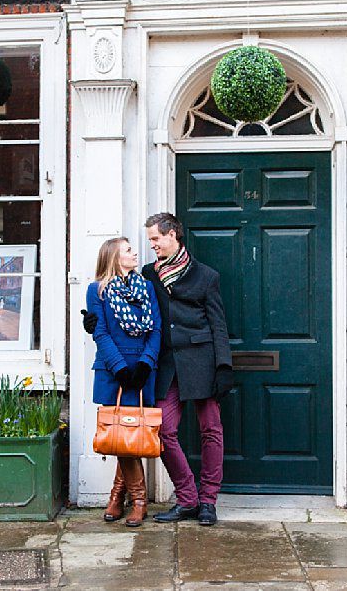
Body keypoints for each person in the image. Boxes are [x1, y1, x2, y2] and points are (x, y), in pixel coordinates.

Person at [83, 213, 233, 526]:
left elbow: (218, 325)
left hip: (202, 360)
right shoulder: (148, 276)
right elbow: (124, 307)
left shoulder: (206, 276)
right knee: (162, 429)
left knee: (211, 430)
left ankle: (208, 501)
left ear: (172, 235)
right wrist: (94, 324)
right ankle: (188, 497)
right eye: (149, 240)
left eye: (155, 239)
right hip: (166, 365)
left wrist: (223, 366)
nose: (150, 245)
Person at [85, 237, 162, 527]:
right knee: (120, 436)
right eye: (128, 250)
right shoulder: (97, 291)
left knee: (129, 436)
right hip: (111, 370)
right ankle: (138, 501)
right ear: (115, 258)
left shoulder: (147, 287)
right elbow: (100, 333)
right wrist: (119, 368)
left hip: (143, 369)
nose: (135, 253)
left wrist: (145, 363)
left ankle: (118, 495)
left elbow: (155, 329)